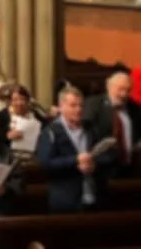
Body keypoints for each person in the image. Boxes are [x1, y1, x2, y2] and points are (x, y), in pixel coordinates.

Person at [38, 83, 118, 212]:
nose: (79, 109)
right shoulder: (50, 132)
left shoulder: (91, 128)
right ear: (61, 107)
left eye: (81, 105)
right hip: (66, 200)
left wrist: (94, 164)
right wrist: (75, 160)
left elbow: (109, 155)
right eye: (73, 105)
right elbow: (46, 163)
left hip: (95, 197)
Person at [84, 69, 141, 174]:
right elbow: (86, 133)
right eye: (120, 89)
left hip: (130, 170)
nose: (124, 94)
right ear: (108, 86)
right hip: (100, 170)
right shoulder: (94, 105)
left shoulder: (135, 109)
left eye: (128, 90)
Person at [0, 84, 43, 163]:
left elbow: (46, 128)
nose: (19, 103)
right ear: (10, 101)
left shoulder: (34, 114)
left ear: (27, 101)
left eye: (22, 99)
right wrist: (7, 136)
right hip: (9, 158)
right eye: (15, 99)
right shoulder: (3, 115)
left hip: (32, 158)